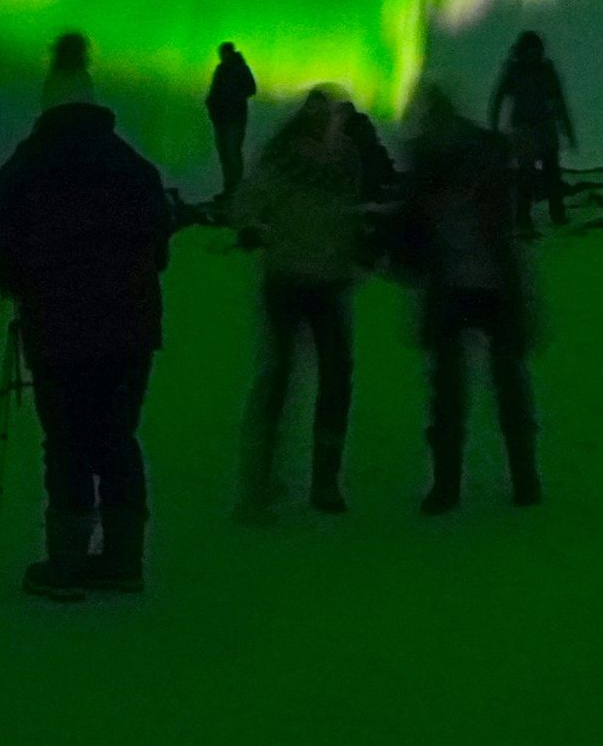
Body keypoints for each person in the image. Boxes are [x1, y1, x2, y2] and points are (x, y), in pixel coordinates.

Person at [0, 34, 175, 599]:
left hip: (57, 325)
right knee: (116, 436)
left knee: (65, 439)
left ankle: (65, 563)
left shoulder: (28, 163)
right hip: (131, 327)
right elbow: (159, 242)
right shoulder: (132, 164)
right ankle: (122, 560)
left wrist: (21, 283)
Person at [231, 88, 373, 518]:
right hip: (323, 283)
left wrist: (260, 230)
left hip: (289, 279)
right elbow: (348, 217)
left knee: (280, 378)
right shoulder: (344, 161)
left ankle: (262, 481)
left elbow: (244, 207)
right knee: (331, 379)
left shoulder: (282, 157)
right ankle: (323, 482)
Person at [399, 84, 540, 513]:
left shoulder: (453, 159)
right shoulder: (445, 160)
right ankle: (489, 482)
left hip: (481, 289)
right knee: (465, 390)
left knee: (489, 387)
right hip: (463, 290)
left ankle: (503, 481)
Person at [490, 29, 578, 233]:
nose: (535, 54)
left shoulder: (546, 70)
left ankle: (557, 213)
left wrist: (567, 129)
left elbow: (558, 100)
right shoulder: (514, 70)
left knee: (552, 171)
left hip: (544, 125)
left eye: (537, 50)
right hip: (523, 128)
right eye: (531, 50)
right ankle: (523, 218)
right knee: (526, 174)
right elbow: (498, 98)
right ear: (523, 51)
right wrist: (494, 128)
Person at [206, 41, 259, 203]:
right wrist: (211, 103)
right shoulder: (222, 69)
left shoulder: (240, 69)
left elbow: (251, 89)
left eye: (223, 53)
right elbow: (215, 91)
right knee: (226, 154)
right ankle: (231, 189)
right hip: (223, 118)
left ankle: (235, 191)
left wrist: (230, 97)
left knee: (231, 153)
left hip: (233, 118)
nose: (222, 56)